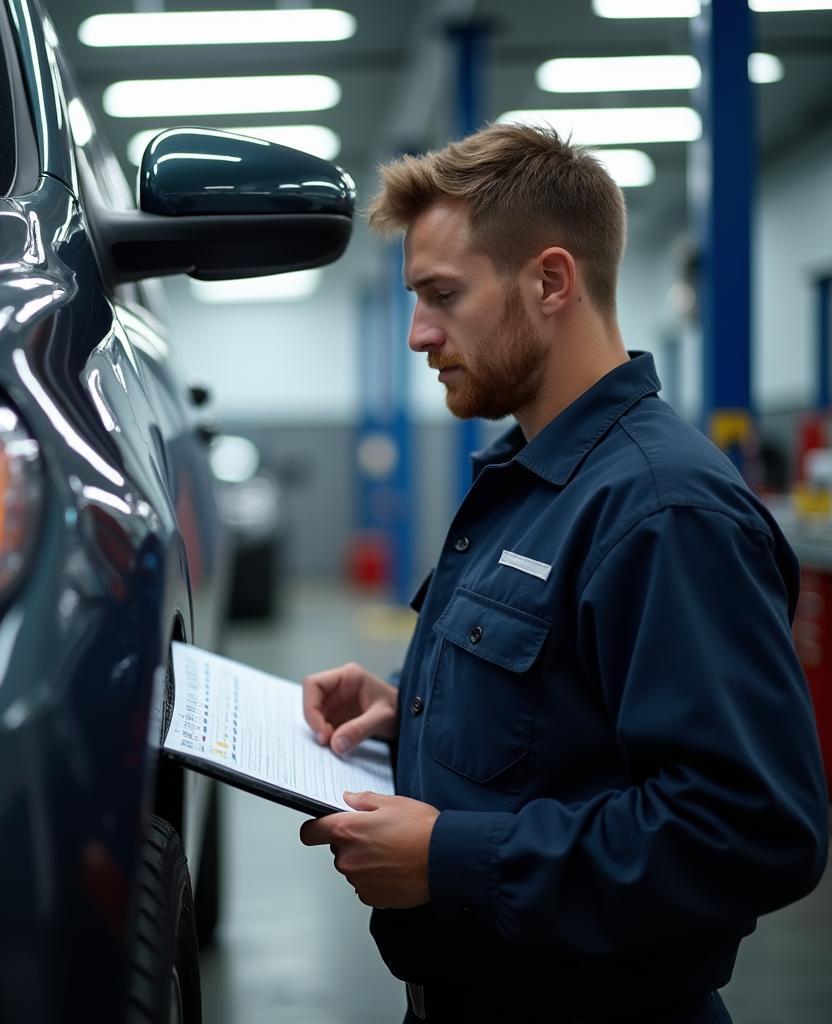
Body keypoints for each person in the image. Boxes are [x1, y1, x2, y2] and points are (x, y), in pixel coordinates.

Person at [298, 124, 829, 1024]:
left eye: (442, 295)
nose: (420, 333)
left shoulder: (664, 510)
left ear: (550, 281)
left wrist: (448, 859)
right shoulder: (528, 479)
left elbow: (750, 829)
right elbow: (568, 715)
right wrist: (415, 711)